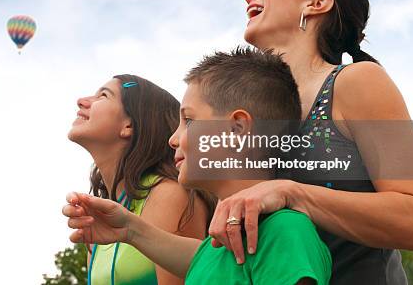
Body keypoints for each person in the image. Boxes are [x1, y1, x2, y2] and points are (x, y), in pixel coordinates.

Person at [209, 0, 413, 284]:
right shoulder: (250, 118)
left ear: (317, 4)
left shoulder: (356, 81)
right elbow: (223, 253)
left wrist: (292, 193)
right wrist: (134, 231)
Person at [64, 48, 332, 284]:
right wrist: (129, 230)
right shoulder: (213, 249)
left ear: (236, 129)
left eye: (189, 121)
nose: (172, 139)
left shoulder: (285, 230)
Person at [68, 74, 214, 285]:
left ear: (129, 125)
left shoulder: (167, 194)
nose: (82, 101)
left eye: (103, 95)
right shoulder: (100, 217)